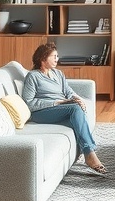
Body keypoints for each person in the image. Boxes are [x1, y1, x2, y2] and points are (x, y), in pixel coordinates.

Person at [22, 42, 107, 175]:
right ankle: (89, 154)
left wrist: (78, 98)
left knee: (77, 115)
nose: (57, 59)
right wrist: (58, 102)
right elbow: (29, 102)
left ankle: (88, 152)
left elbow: (68, 91)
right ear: (43, 58)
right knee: (74, 110)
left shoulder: (58, 74)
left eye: (57, 56)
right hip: (41, 113)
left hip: (61, 108)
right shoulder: (33, 76)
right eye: (53, 56)